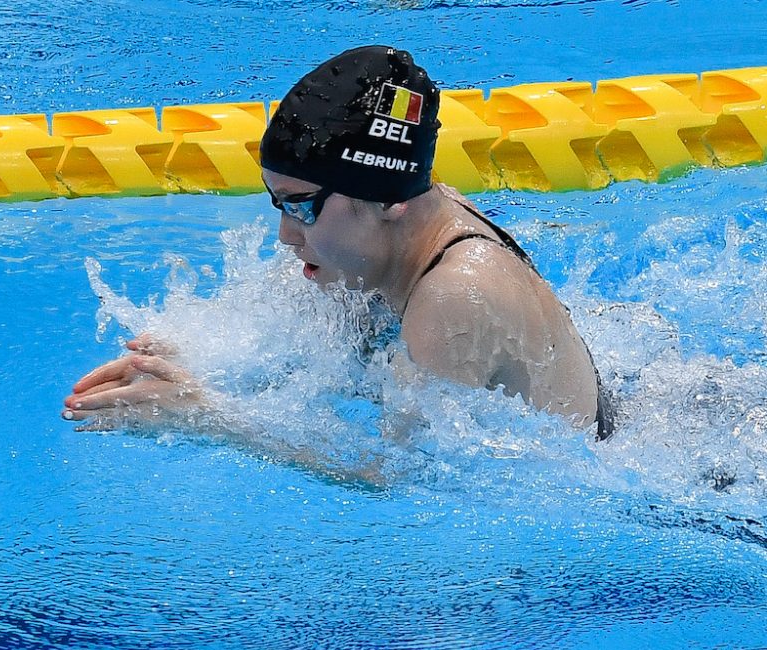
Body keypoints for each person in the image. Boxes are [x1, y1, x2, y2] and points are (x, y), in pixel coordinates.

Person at [62, 45, 614, 443]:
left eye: (301, 206)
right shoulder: (397, 232)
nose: (285, 235)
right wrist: (201, 360)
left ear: (383, 200)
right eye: (277, 204)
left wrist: (210, 416)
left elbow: (398, 477)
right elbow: (297, 337)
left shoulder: (455, 297)